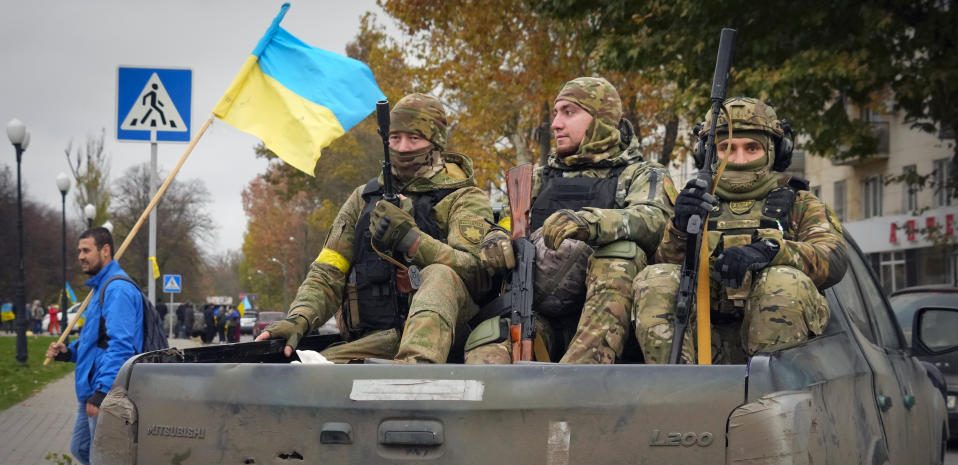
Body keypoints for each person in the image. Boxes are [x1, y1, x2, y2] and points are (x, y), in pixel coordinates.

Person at [256, 93, 493, 363]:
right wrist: (299, 318)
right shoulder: (363, 199)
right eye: (395, 138)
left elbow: (478, 274)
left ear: (436, 142)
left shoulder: (463, 198)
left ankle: (413, 377)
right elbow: (327, 271)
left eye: (414, 138)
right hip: (375, 341)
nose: (403, 148)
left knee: (440, 273)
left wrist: (412, 239)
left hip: (448, 339)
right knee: (305, 373)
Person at [465, 76, 675, 364]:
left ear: (601, 119)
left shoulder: (641, 174)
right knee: (487, 349)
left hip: (610, 324)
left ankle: (575, 384)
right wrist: (495, 238)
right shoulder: (534, 178)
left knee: (621, 254)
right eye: (555, 113)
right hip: (534, 319)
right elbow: (506, 223)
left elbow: (652, 220)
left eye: (569, 112)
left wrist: (590, 224)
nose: (556, 124)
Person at [632, 97, 848, 364]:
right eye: (727, 149)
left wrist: (769, 251)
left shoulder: (800, 203)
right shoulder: (694, 203)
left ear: (774, 152)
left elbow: (833, 257)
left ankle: (766, 397)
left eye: (752, 148)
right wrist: (680, 228)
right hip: (700, 346)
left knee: (783, 281)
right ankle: (675, 395)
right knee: (655, 278)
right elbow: (665, 267)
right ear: (709, 154)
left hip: (779, 360)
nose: (739, 159)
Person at [45, 227, 144, 465]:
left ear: (105, 251)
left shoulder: (116, 290)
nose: (80, 257)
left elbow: (121, 345)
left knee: (104, 464)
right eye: (78, 251)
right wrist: (68, 352)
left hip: (102, 394)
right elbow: (95, 343)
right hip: (89, 391)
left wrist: (102, 394)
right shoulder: (101, 289)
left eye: (86, 250)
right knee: (83, 450)